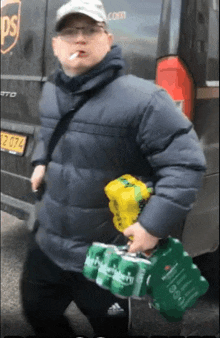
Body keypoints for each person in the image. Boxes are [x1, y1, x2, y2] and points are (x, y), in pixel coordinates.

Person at [20, 0, 206, 337]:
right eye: (70, 32)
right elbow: (48, 131)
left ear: (107, 38)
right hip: (47, 245)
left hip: (106, 257)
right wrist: (40, 161)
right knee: (37, 313)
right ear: (55, 45)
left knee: (113, 329)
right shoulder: (51, 90)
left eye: (89, 30)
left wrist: (152, 226)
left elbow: (185, 164)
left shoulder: (144, 100)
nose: (79, 39)